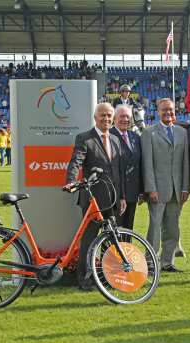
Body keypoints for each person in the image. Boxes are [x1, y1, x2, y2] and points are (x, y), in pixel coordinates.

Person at [65, 102, 126, 291]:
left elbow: (119, 171)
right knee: (89, 240)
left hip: (113, 199)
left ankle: (109, 277)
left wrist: (122, 196)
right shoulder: (85, 138)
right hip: (93, 199)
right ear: (95, 117)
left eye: (109, 115)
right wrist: (71, 180)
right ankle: (84, 279)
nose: (106, 119)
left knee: (112, 239)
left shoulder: (116, 139)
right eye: (103, 115)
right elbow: (76, 161)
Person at [141, 98, 189, 272]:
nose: (168, 113)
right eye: (164, 110)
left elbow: (185, 164)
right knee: (155, 228)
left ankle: (167, 262)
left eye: (171, 110)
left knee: (173, 228)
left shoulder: (182, 133)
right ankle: (149, 262)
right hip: (157, 190)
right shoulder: (149, 133)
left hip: (177, 190)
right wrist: (150, 188)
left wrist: (185, 188)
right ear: (157, 112)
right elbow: (147, 164)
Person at [110, 104, 142, 231]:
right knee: (114, 231)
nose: (125, 119)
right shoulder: (108, 136)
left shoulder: (135, 137)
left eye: (128, 117)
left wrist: (142, 190)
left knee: (129, 230)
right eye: (122, 116)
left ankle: (126, 251)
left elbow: (139, 165)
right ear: (114, 118)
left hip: (132, 193)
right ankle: (109, 252)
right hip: (115, 194)